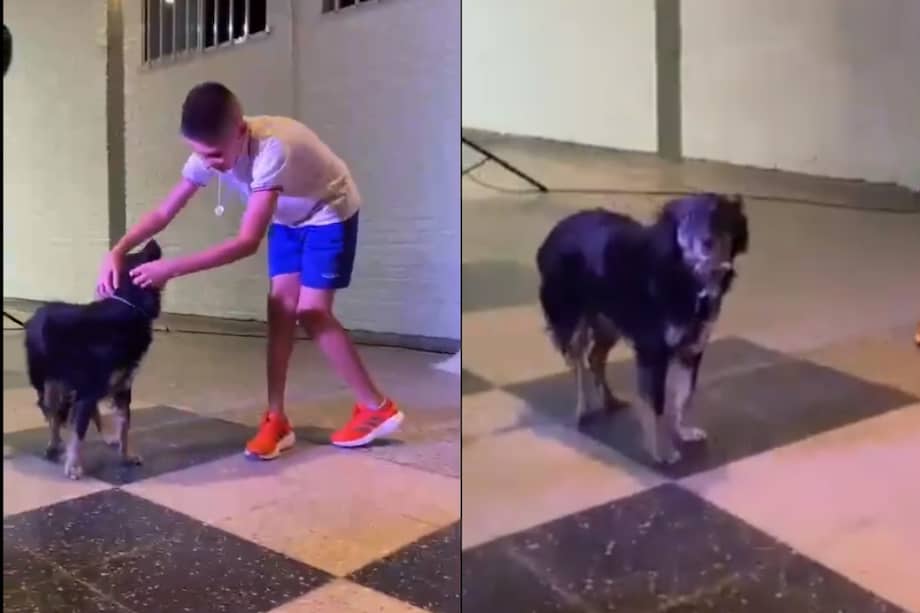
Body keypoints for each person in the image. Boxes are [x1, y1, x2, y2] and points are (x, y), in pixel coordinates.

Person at [97, 82, 403, 459]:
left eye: (215, 154)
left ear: (240, 130)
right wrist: (119, 249)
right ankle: (275, 418)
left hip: (328, 210)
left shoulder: (272, 149)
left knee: (311, 311)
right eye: (200, 155)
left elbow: (246, 242)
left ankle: (376, 407)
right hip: (289, 218)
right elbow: (164, 212)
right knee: (279, 308)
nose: (209, 163)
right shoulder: (208, 154)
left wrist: (170, 269)